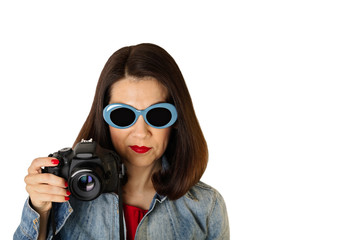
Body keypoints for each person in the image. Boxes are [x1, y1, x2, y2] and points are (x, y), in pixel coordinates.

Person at [14, 43, 230, 240]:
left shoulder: (206, 207)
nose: (141, 132)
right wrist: (40, 211)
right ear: (104, 118)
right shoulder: (64, 197)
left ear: (176, 120)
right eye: (123, 116)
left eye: (158, 115)